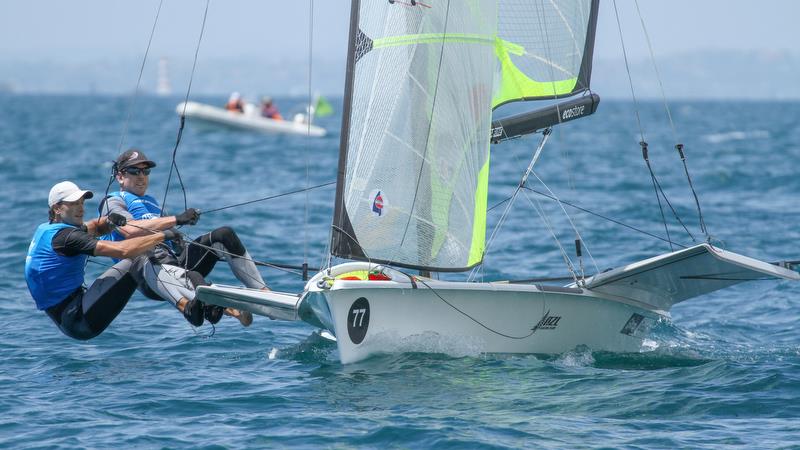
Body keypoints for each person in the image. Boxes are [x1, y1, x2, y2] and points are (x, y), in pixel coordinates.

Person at [99, 148, 269, 327]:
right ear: (119, 177)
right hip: (147, 272)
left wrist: (177, 239)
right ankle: (221, 308)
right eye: (134, 171)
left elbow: (169, 238)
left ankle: (262, 292)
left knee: (223, 235)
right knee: (191, 276)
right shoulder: (113, 201)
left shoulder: (152, 203)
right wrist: (177, 219)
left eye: (145, 171)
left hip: (172, 262)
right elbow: (130, 230)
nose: (141, 176)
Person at [25, 181, 180, 340]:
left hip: (68, 314)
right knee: (137, 257)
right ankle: (183, 302)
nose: (81, 208)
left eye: (81, 202)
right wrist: (162, 235)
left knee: (138, 257)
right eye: (73, 204)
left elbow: (93, 227)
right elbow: (123, 250)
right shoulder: (68, 238)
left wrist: (108, 221)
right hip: (78, 320)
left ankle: (176, 289)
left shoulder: (47, 229)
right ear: (57, 208)